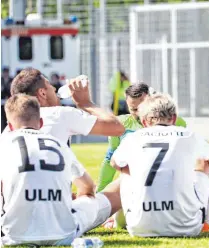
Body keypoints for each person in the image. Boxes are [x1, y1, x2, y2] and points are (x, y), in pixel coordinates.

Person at [0, 94, 122, 246]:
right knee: (117, 187)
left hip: (14, 236)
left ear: (10, 126)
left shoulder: (4, 144)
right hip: (63, 234)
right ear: (41, 122)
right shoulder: (58, 144)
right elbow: (88, 188)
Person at [110, 93, 209, 237]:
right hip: (187, 226)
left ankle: (119, 221)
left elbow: (114, 162)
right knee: (204, 163)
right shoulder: (188, 135)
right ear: (174, 118)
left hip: (139, 228)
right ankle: (206, 222)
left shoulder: (133, 138)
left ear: (144, 122)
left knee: (125, 172)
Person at [97, 83, 187, 192]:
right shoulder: (119, 125)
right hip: (133, 184)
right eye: (134, 109)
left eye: (143, 108)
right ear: (127, 105)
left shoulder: (176, 123)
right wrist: (100, 191)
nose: (140, 114)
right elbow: (109, 160)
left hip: (168, 184)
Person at [2, 68, 124, 144]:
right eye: (50, 85)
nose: (54, 88)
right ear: (42, 93)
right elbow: (117, 128)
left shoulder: (7, 132)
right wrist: (86, 103)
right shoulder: (61, 114)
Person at [1, 66, 13, 131]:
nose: (5, 74)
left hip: (9, 101)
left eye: (7, 72)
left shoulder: (11, 80)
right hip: (2, 102)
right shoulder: (1, 80)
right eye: (4, 72)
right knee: (2, 117)